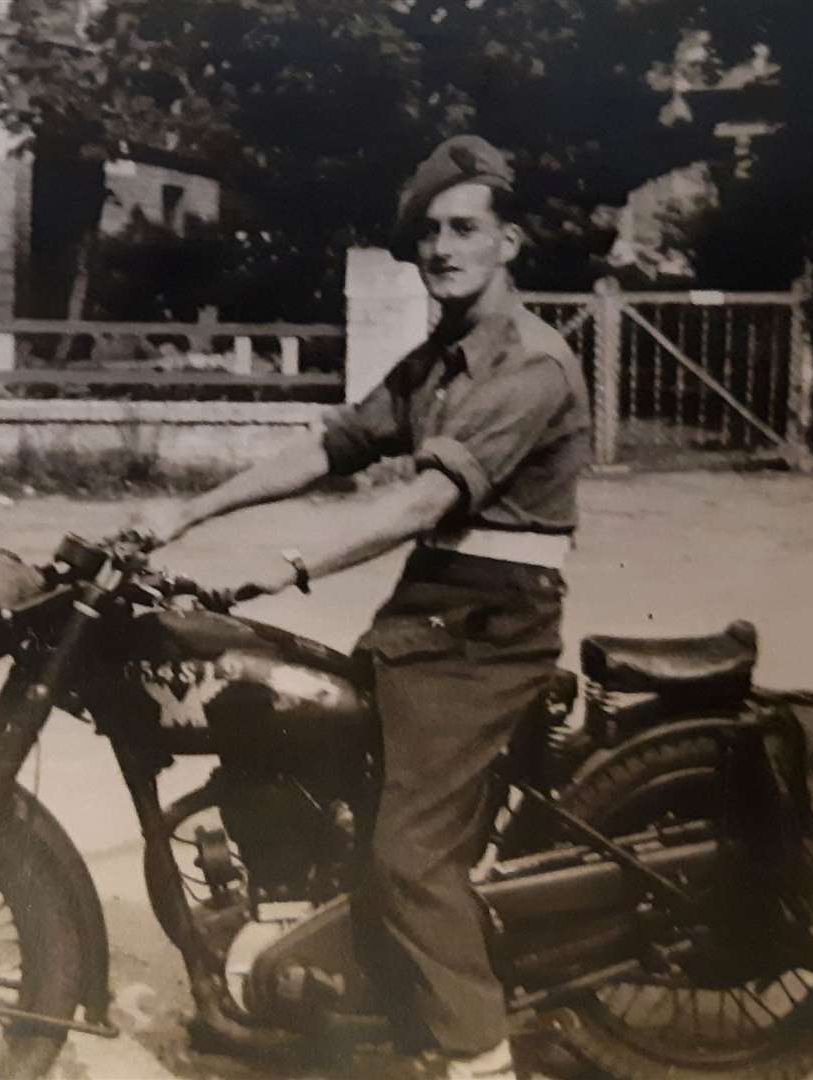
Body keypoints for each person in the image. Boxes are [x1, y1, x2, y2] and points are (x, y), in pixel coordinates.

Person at [133, 134, 592, 1079]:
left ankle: (482, 1059)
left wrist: (284, 565)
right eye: (428, 232)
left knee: (409, 857)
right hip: (429, 619)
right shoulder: (438, 361)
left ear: (509, 242)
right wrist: (188, 512)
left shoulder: (531, 366)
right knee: (304, 749)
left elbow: (424, 501)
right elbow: (331, 447)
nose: (442, 248)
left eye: (465, 228)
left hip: (490, 634)